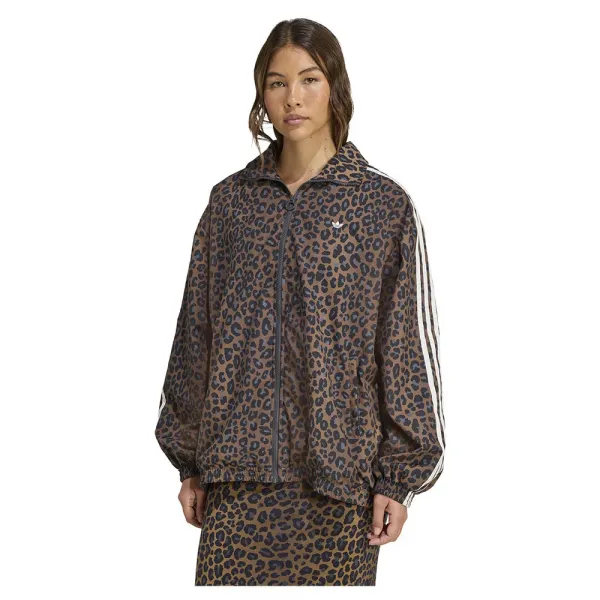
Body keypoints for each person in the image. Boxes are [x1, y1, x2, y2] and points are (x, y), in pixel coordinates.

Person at [155, 17, 445, 586]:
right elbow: (196, 335)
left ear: (335, 86)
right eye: (277, 82)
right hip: (235, 480)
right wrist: (188, 461)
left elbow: (405, 349)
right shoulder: (230, 203)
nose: (293, 98)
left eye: (309, 79)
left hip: (338, 484)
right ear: (261, 94)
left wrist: (398, 479)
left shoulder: (382, 207)